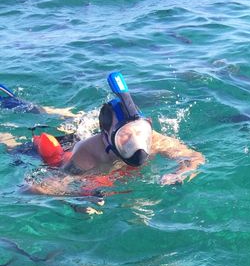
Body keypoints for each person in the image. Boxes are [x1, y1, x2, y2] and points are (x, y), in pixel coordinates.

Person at [0, 72, 205, 196]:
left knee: (73, 125)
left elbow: (196, 157)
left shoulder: (153, 139)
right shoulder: (86, 157)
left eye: (141, 131)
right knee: (26, 147)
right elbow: (35, 189)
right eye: (124, 135)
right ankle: (17, 120)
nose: (136, 140)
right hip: (69, 148)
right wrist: (82, 195)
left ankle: (64, 115)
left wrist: (179, 173)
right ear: (106, 136)